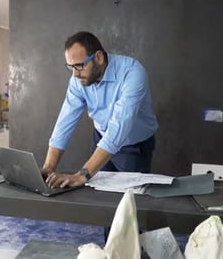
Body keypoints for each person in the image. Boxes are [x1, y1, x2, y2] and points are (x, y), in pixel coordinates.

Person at [43, 31, 158, 188]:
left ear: (98, 57)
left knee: (128, 200)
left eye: (79, 66)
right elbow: (65, 121)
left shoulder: (132, 73)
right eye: (70, 67)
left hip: (133, 146)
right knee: (96, 195)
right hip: (101, 138)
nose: (75, 74)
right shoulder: (78, 78)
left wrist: (81, 175)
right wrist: (48, 168)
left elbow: (118, 128)